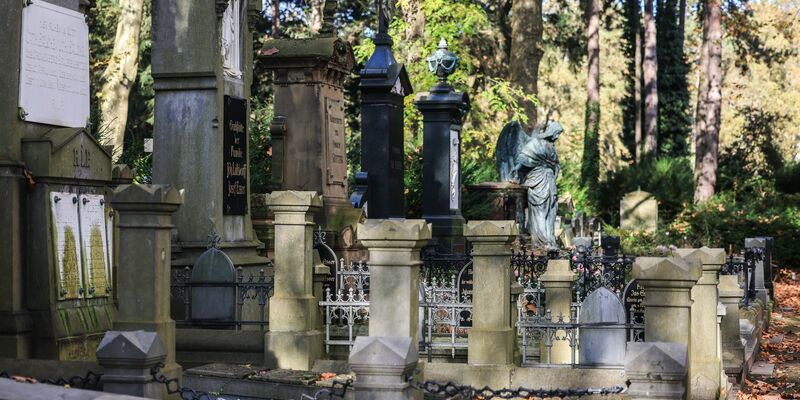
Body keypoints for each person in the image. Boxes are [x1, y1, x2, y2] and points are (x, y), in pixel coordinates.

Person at [513, 122, 563, 250]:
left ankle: (550, 240)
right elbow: (524, 157)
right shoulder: (536, 142)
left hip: (550, 181)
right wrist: (515, 170)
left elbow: (556, 164)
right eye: (557, 133)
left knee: (551, 211)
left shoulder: (551, 147)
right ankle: (542, 243)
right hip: (538, 182)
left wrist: (555, 169)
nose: (557, 136)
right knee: (539, 212)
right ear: (551, 131)